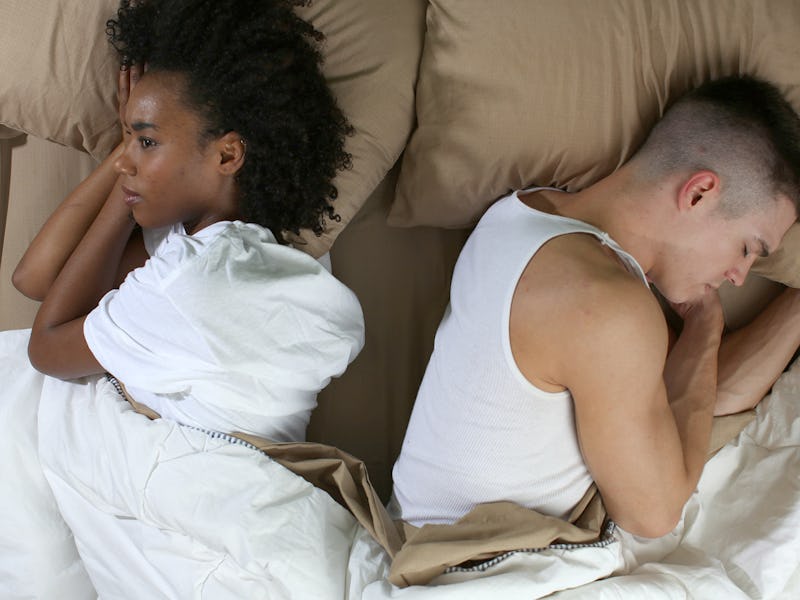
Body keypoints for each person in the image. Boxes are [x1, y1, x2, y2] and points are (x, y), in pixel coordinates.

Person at [0, 0, 364, 596]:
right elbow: (38, 278)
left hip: (213, 520)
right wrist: (132, 155)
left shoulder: (195, 281)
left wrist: (125, 185)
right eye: (129, 142)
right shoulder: (206, 250)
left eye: (145, 142)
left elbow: (46, 347)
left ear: (226, 154)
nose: (129, 164)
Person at [391, 75, 800, 539]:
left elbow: (695, 402)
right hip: (467, 569)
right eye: (748, 247)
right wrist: (704, 327)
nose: (739, 276)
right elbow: (653, 516)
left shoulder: (528, 211)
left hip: (418, 538)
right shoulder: (604, 305)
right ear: (699, 193)